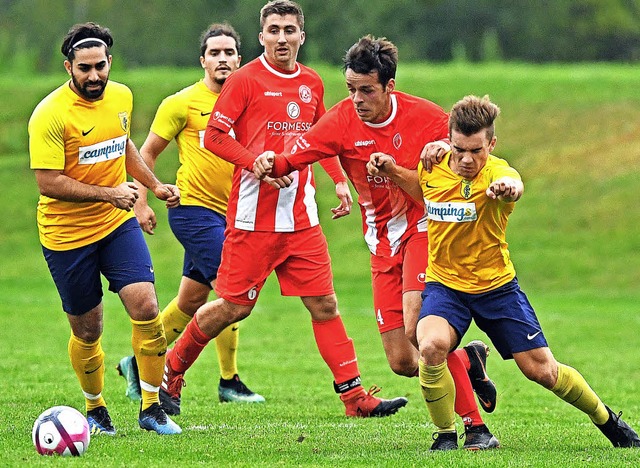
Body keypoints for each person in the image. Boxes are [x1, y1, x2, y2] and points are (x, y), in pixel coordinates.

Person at [159, 0, 407, 418]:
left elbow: (320, 138)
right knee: (234, 307)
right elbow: (214, 137)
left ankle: (355, 399)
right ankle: (173, 369)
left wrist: (338, 180)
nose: (282, 37)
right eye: (273, 30)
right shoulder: (245, 80)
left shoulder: (312, 82)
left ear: (301, 36)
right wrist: (252, 160)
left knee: (325, 305)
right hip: (253, 219)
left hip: (302, 219)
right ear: (261, 37)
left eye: (289, 29)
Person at [253, 36, 499, 450]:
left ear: (389, 86)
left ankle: (475, 428)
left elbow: (474, 157)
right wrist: (269, 162)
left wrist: (440, 152)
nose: (357, 99)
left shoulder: (427, 117)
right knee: (404, 361)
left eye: (366, 90)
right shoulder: (340, 121)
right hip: (380, 242)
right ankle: (468, 359)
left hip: (423, 230)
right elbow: (298, 155)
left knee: (419, 328)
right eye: (350, 89)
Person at [393, 94, 640, 450]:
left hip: (497, 289)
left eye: (476, 150)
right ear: (449, 140)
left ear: (491, 144)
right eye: (459, 148)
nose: (466, 159)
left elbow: (515, 186)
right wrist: (392, 170)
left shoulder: (500, 173)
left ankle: (608, 421)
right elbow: (425, 190)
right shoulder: (435, 163)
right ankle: (446, 435)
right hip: (445, 286)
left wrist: (509, 190)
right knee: (429, 345)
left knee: (542, 371)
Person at [28, 22, 181, 435]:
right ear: (68, 67)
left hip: (116, 226)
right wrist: (109, 194)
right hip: (66, 237)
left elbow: (123, 143)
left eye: (100, 66)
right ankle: (95, 409)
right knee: (89, 328)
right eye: (84, 69)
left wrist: (153, 184)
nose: (94, 76)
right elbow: (48, 182)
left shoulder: (122, 96)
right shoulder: (50, 114)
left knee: (147, 307)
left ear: (109, 62)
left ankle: (152, 408)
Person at [116, 23, 265, 407]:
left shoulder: (251, 101)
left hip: (235, 215)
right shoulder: (180, 103)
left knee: (191, 299)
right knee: (232, 291)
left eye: (229, 53)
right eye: (214, 53)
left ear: (239, 58)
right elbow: (144, 154)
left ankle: (137, 362)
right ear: (203, 60)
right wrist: (143, 203)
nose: (222, 59)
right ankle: (227, 380)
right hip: (193, 211)